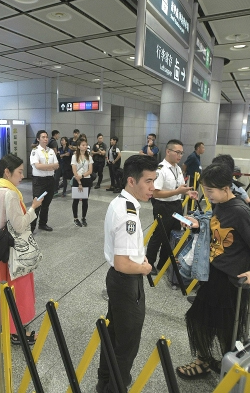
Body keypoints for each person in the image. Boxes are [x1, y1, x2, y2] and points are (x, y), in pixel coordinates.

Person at [176, 163, 250, 380]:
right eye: (205, 190)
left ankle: (231, 372)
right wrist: (198, 225)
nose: (207, 195)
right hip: (215, 274)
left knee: (227, 332)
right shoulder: (220, 204)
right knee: (200, 320)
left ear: (226, 188)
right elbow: (217, 229)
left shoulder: (241, 212)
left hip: (232, 282)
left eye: (210, 191)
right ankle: (205, 362)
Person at [96, 155, 156, 393]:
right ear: (132, 180)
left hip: (117, 280)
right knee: (127, 343)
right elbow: (122, 263)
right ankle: (115, 388)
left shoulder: (120, 201)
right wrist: (145, 267)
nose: (153, 187)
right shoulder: (129, 214)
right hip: (125, 282)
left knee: (113, 335)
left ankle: (105, 381)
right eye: (148, 181)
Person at [0, 154, 44, 345]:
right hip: (12, 253)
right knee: (15, 293)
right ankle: (16, 332)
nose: (21, 176)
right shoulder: (10, 194)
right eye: (18, 172)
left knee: (1, 291)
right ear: (7, 172)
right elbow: (19, 225)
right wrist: (33, 208)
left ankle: (6, 326)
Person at [146, 139, 198, 275]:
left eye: (182, 153)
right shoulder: (160, 170)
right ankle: (149, 263)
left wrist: (188, 192)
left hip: (176, 205)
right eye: (177, 152)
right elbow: (155, 193)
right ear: (168, 151)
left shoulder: (178, 169)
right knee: (159, 235)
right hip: (162, 206)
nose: (180, 156)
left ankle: (163, 263)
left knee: (173, 235)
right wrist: (177, 192)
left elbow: (179, 187)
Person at [30, 130, 59, 232]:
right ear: (38, 139)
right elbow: (37, 166)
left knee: (46, 204)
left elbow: (57, 165)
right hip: (39, 181)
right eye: (43, 137)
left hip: (50, 180)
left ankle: (43, 224)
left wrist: (45, 167)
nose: (45, 139)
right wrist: (50, 167)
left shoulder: (51, 151)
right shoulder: (35, 151)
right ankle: (31, 228)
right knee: (37, 205)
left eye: (46, 137)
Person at [71, 138, 93, 227]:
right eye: (83, 145)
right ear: (79, 146)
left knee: (85, 200)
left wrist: (83, 176)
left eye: (86, 145)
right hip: (77, 180)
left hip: (86, 179)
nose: (85, 146)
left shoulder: (89, 156)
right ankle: (75, 218)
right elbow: (74, 170)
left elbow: (90, 170)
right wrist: (79, 182)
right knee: (76, 200)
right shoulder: (74, 156)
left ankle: (83, 217)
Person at [49, 130, 61, 195]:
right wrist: (58, 153)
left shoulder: (50, 141)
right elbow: (55, 153)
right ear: (55, 134)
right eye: (58, 135)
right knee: (56, 176)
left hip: (50, 161)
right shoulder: (54, 142)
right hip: (54, 161)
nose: (58, 136)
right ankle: (55, 189)